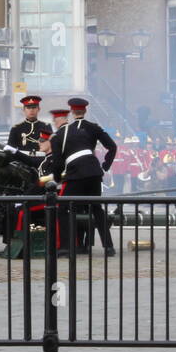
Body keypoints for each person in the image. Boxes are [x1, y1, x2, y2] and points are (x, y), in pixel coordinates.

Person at [47, 97, 116, 255]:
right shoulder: (94, 127)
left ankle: (65, 247)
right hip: (94, 172)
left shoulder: (61, 134)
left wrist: (57, 179)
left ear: (71, 112)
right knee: (97, 208)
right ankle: (109, 247)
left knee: (63, 208)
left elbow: (57, 162)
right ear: (85, 110)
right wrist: (105, 166)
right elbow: (112, 147)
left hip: (76, 174)